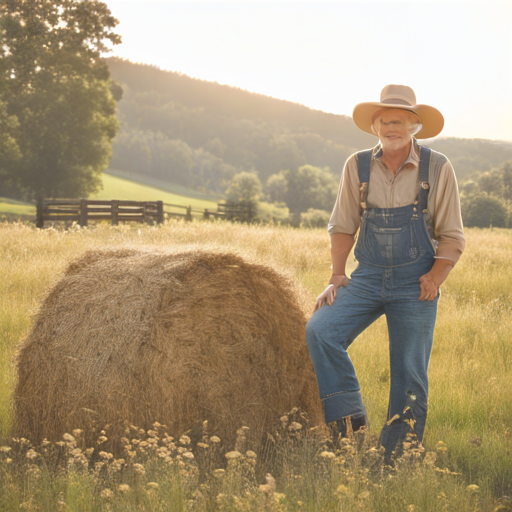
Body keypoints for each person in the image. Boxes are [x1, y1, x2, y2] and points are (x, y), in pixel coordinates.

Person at [305, 84, 465, 458]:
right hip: (367, 276)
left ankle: (395, 458)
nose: (391, 127)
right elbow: (343, 225)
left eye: (399, 120)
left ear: (414, 125)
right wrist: (336, 276)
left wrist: (435, 278)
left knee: (409, 373)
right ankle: (349, 419)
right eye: (384, 120)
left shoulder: (437, 167)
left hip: (416, 282)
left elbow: (452, 235)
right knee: (321, 329)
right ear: (374, 126)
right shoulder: (357, 164)